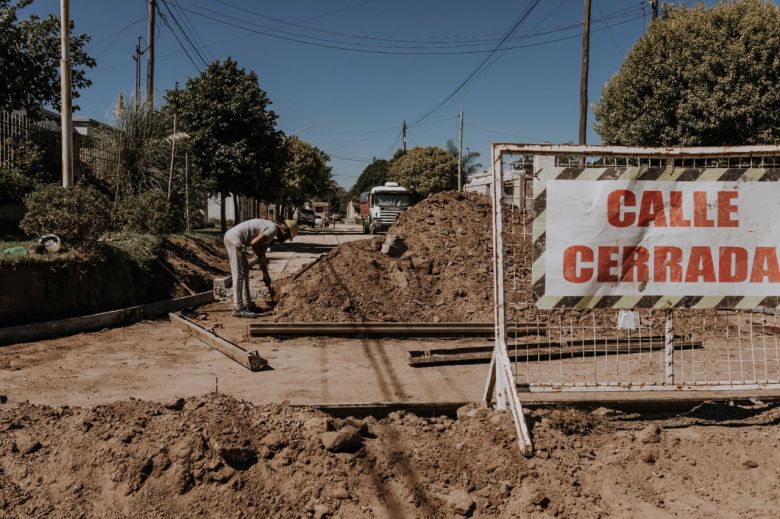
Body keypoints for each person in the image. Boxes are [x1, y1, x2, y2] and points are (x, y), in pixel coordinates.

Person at [223, 218, 298, 318]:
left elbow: (261, 252)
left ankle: (247, 304)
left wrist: (265, 274)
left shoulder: (271, 231)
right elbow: (254, 244)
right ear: (285, 230)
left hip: (236, 240)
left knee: (245, 271)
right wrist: (261, 257)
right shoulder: (272, 230)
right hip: (234, 240)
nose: (285, 240)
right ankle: (238, 308)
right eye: (287, 236)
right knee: (239, 273)